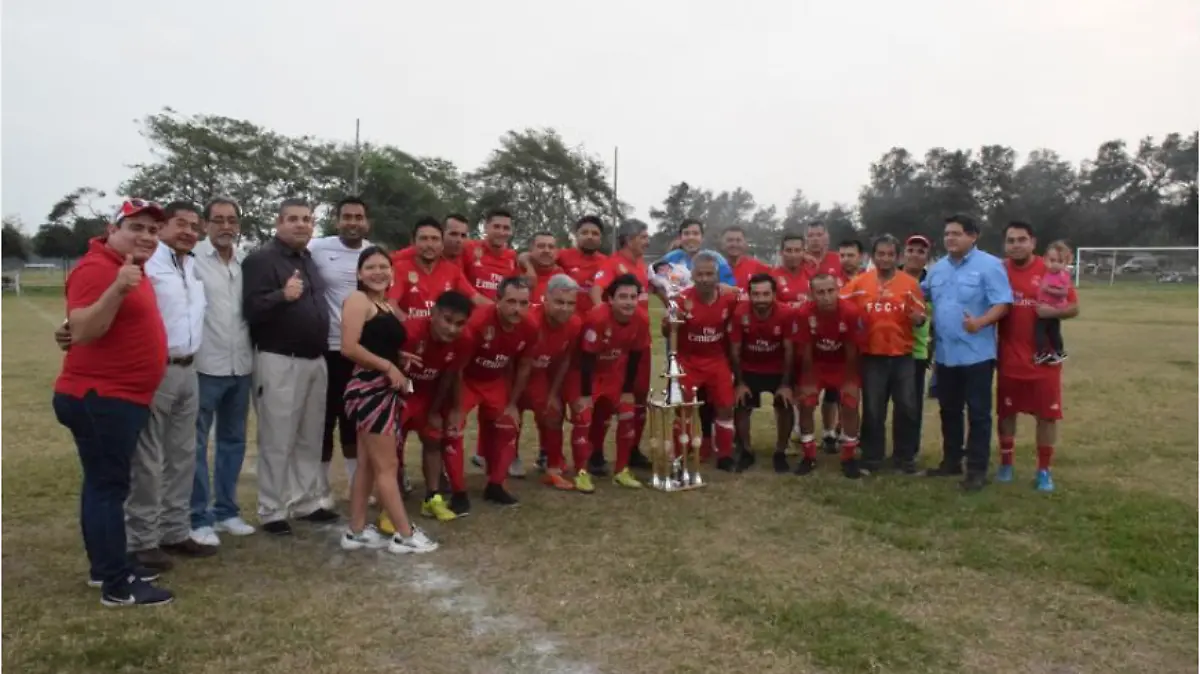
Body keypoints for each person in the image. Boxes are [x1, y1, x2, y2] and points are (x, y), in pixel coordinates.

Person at [52, 198, 174, 606]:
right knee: (108, 488)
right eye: (136, 227)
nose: (147, 236)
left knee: (102, 484)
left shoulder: (128, 267)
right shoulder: (97, 268)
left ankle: (106, 567)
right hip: (102, 398)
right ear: (112, 229)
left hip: (120, 397)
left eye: (153, 230)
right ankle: (117, 586)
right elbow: (83, 330)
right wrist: (118, 288)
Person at [126, 201, 215, 565]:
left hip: (188, 368)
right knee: (148, 459)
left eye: (194, 226)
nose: (188, 232)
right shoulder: (146, 264)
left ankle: (175, 531)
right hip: (155, 369)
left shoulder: (190, 265)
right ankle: (142, 539)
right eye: (181, 224)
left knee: (183, 455)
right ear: (162, 227)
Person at [242, 199, 336, 535]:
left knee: (310, 437)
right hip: (279, 359)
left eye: (307, 219)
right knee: (277, 437)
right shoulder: (261, 259)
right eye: (293, 219)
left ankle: (305, 501)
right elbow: (250, 308)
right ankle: (272, 509)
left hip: (315, 359)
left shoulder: (307, 260)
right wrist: (282, 296)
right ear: (279, 222)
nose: (301, 225)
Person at [338, 246, 438, 554]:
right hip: (370, 391)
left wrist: (398, 357)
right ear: (359, 273)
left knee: (368, 465)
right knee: (387, 465)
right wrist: (388, 366)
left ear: (392, 272)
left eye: (384, 266)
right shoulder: (358, 300)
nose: (378, 272)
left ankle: (355, 531)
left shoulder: (383, 305)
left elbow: (376, 342)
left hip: (383, 389)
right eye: (370, 267)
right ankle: (405, 534)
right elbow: (349, 347)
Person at [921, 214, 1013, 491]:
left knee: (978, 413)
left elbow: (1003, 303)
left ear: (973, 236)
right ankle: (951, 462)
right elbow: (921, 295)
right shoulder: (937, 269)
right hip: (946, 355)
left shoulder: (990, 265)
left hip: (977, 355)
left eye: (957, 233)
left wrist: (980, 322)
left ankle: (976, 469)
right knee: (949, 411)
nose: (950, 238)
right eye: (947, 234)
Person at [190, 198, 256, 544]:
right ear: (205, 224)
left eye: (231, 220)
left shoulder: (246, 262)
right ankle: (197, 517)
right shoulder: (192, 260)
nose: (225, 226)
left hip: (241, 366)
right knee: (196, 444)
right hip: (204, 365)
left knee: (233, 441)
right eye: (218, 220)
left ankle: (226, 511)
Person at [996, 223, 1079, 492]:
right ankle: (1006, 464)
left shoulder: (1050, 267)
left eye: (1022, 239)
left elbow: (1074, 307)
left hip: (1044, 360)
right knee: (1006, 413)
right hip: (1009, 359)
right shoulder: (999, 270)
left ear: (1033, 242)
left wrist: (1051, 312)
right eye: (1011, 240)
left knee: (1047, 417)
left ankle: (1044, 471)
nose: (1016, 245)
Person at [386, 291, 476, 529]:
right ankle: (390, 503)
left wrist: (436, 410)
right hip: (400, 394)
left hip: (428, 395)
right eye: (447, 320)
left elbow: (449, 375)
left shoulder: (465, 340)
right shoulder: (409, 332)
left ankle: (432, 497)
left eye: (459, 323)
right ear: (433, 313)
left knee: (434, 439)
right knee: (391, 447)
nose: (452, 329)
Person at [841, 235, 925, 474]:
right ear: (872, 256)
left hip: (902, 354)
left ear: (897, 257)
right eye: (881, 254)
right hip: (871, 355)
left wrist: (918, 319)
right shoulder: (859, 283)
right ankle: (871, 457)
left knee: (907, 407)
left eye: (890, 255)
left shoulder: (910, 284)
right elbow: (839, 304)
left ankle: (905, 458)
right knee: (873, 408)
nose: (885, 259)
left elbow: (921, 316)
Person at [308, 197, 372, 509]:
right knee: (323, 422)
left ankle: (356, 486)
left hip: (358, 351)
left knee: (353, 423)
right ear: (337, 221)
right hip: (326, 348)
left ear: (367, 222)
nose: (352, 222)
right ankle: (320, 490)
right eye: (347, 216)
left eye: (358, 217)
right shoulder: (318, 248)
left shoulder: (372, 253)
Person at [459, 276, 538, 505]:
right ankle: (453, 486)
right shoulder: (478, 322)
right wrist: (454, 404)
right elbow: (457, 365)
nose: (517, 309)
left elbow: (524, 366)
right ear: (497, 300)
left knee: (507, 426)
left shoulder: (530, 326)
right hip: (467, 380)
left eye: (523, 303)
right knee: (451, 428)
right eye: (511, 302)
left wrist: (512, 404)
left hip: (495, 381)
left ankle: (496, 484)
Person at [590, 220, 657, 475]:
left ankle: (632, 449)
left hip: (642, 340)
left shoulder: (642, 265)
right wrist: (604, 319)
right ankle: (595, 452)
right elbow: (597, 291)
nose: (647, 241)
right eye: (643, 237)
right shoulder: (612, 264)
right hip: (619, 344)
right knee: (607, 400)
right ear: (629, 239)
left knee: (639, 396)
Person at [512, 274, 583, 490]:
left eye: (570, 303)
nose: (565, 308)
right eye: (559, 302)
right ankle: (508, 457)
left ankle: (552, 465)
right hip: (512, 374)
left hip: (538, 375)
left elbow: (565, 360)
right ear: (546, 299)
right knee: (508, 417)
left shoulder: (575, 324)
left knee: (553, 412)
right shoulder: (529, 320)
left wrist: (552, 394)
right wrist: (511, 400)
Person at [669, 253, 740, 471]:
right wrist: (671, 323)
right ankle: (679, 455)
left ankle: (725, 455)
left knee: (726, 406)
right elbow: (666, 331)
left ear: (717, 276)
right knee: (683, 409)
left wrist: (734, 289)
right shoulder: (681, 300)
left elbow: (746, 299)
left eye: (709, 274)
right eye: (700, 274)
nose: (705, 279)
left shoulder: (729, 298)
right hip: (688, 361)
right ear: (692, 275)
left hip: (716, 360)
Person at [793, 274, 867, 478]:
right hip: (816, 364)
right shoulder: (804, 313)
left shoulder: (850, 312)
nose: (826, 297)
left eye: (830, 291)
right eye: (820, 292)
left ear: (837, 291)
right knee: (806, 402)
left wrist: (850, 381)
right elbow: (805, 349)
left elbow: (853, 349)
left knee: (850, 403)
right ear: (811, 294)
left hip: (843, 364)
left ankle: (848, 457)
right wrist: (808, 381)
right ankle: (809, 455)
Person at [578, 274, 649, 488]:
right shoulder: (597, 318)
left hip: (614, 373)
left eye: (633, 297)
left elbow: (635, 355)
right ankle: (581, 471)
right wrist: (585, 394)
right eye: (623, 297)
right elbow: (586, 358)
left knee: (627, 412)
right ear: (610, 299)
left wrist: (627, 390)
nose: (628, 302)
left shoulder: (641, 319)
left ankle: (621, 470)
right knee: (585, 417)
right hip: (591, 373)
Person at [728, 274, 795, 472]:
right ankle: (746, 450)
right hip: (749, 368)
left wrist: (785, 384)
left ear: (774, 294)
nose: (761, 299)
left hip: (778, 368)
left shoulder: (786, 313)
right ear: (749, 295)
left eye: (766, 294)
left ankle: (780, 451)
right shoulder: (740, 313)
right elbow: (735, 350)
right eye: (756, 294)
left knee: (785, 405)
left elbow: (790, 351)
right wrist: (739, 383)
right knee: (741, 404)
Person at [902, 234, 933, 461]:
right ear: (904, 254)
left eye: (921, 251)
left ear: (927, 258)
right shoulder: (890, 277)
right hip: (887, 349)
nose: (915, 255)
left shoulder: (931, 284)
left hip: (917, 351)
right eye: (911, 250)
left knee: (911, 406)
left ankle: (908, 452)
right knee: (878, 403)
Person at [652, 219, 736, 287]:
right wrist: (667, 299)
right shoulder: (671, 258)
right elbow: (653, 279)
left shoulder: (716, 259)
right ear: (680, 237)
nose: (691, 237)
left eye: (695, 234)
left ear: (702, 238)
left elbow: (730, 287)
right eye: (686, 233)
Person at [556, 215, 608, 318]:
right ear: (576, 235)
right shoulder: (562, 255)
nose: (590, 236)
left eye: (595, 233)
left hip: (594, 321)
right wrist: (529, 267)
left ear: (600, 238)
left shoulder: (608, 263)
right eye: (585, 233)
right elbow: (527, 256)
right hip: (567, 320)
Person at [462, 209, 519, 300]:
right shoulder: (469, 247)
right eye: (496, 227)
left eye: (506, 228)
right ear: (486, 227)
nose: (501, 232)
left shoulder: (512, 256)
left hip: (498, 309)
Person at [1033, 240, 1073, 364]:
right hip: (1045, 306)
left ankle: (1046, 352)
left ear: (1066, 263)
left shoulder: (1062, 276)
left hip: (1052, 308)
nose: (1055, 264)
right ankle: (1055, 351)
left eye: (1060, 261)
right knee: (1051, 332)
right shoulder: (1048, 273)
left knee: (1041, 331)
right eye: (1052, 260)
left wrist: (1048, 289)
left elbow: (1064, 292)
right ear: (1045, 259)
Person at [395, 213, 471, 265]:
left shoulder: (468, 255)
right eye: (453, 234)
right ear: (441, 233)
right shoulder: (411, 253)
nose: (459, 240)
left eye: (463, 236)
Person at [722, 225, 771, 291]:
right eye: (730, 240)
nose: (734, 244)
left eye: (738, 240)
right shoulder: (715, 268)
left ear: (745, 243)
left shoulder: (756, 266)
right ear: (722, 244)